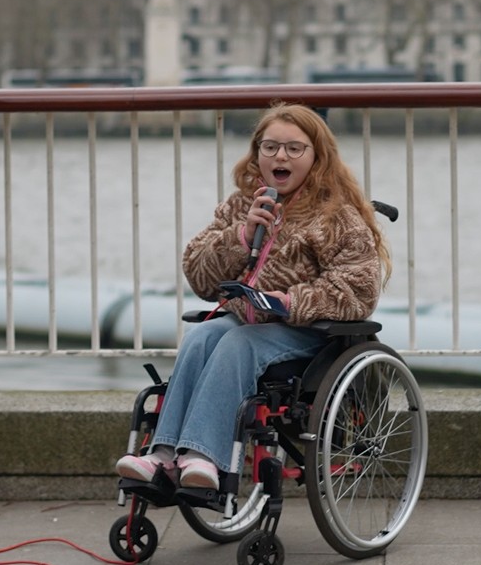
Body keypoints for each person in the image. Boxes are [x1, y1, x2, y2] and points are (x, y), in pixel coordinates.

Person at [116, 102, 391, 490]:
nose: (281, 156)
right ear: (257, 152)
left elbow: (358, 290)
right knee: (201, 336)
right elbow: (199, 276)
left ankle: (203, 456)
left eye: (294, 148)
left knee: (239, 343)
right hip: (246, 320)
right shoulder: (241, 205)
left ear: (317, 156)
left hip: (308, 333)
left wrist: (291, 301)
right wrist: (241, 237)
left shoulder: (336, 216)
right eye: (270, 147)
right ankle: (162, 455)